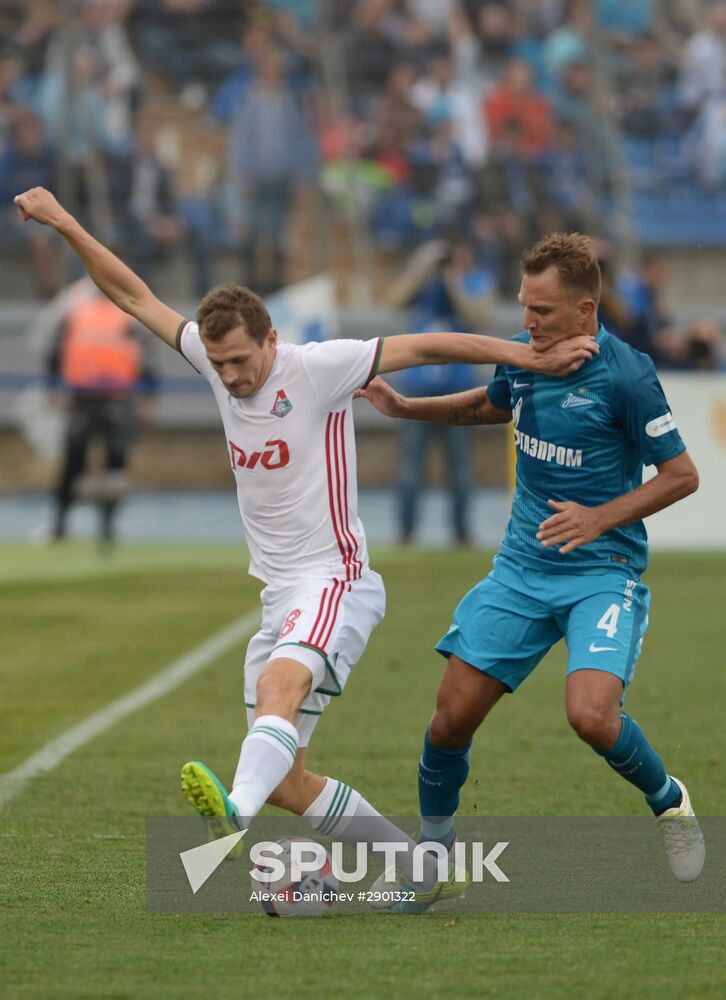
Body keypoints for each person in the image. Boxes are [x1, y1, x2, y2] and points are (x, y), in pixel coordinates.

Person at [14, 187, 597, 910]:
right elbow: (132, 296)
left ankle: (234, 811)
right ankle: (417, 869)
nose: (227, 376)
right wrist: (68, 221)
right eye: (217, 364)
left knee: (276, 697)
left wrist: (527, 359)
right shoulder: (215, 362)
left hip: (334, 580)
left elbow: (430, 345)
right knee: (289, 774)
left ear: (270, 342)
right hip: (278, 593)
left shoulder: (318, 367)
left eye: (238, 361)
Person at [358, 232, 704, 909]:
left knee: (592, 717)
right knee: (448, 720)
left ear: (584, 310)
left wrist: (600, 517)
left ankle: (670, 803)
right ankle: (434, 859)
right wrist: (408, 409)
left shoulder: (627, 374)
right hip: (522, 569)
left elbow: (682, 476)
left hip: (602, 568)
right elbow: (488, 405)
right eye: (524, 307)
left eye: (541, 311)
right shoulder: (525, 360)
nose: (527, 322)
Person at [384, 236, 496, 544]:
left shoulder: (476, 282)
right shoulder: (423, 285)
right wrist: (421, 269)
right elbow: (394, 301)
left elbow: (477, 316)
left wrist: (452, 283)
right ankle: (406, 531)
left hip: (459, 391)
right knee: (410, 466)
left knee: (460, 466)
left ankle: (461, 531)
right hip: (417, 391)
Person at [44, 276, 157, 546]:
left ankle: (107, 524)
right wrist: (52, 388)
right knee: (74, 460)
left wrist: (148, 397)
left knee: (115, 463)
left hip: (118, 398)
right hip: (82, 396)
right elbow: (55, 353)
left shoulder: (129, 315)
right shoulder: (76, 311)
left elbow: (146, 359)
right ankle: (60, 523)